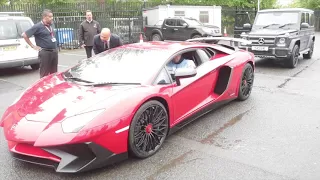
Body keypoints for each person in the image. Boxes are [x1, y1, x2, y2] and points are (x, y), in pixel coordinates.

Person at [22, 9, 58, 78]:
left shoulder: (51, 24)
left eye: (52, 16)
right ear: (44, 17)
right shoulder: (37, 26)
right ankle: (44, 87)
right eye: (50, 17)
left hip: (54, 51)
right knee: (44, 73)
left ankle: (52, 88)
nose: (52, 18)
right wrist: (33, 46)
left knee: (54, 73)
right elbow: (25, 35)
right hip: (45, 52)